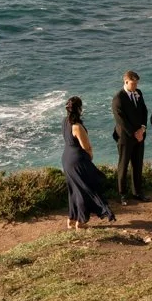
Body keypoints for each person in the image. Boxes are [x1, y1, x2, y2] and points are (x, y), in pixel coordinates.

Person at [62, 96, 116, 228]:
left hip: (66, 159)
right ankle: (80, 221)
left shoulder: (65, 121)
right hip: (78, 160)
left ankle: (71, 219)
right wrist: (90, 157)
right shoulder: (77, 127)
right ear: (79, 109)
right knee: (86, 189)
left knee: (74, 190)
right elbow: (86, 147)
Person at [111, 70, 148, 201]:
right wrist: (135, 133)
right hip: (125, 138)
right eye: (133, 83)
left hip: (139, 135)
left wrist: (142, 128)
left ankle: (137, 192)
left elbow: (144, 111)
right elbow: (121, 121)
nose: (135, 86)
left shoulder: (138, 93)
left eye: (137, 83)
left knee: (138, 164)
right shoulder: (118, 98)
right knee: (124, 165)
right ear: (126, 82)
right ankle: (122, 194)